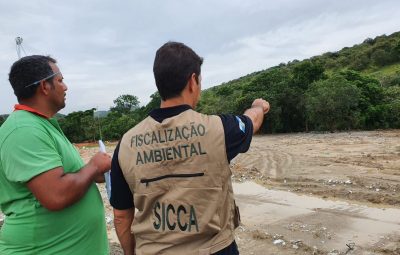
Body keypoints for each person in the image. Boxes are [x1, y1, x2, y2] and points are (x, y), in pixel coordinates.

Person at [111, 42, 270, 255]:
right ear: (193, 81)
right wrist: (259, 106)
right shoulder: (219, 129)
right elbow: (252, 120)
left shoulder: (126, 144)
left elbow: (122, 216)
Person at [0, 55, 111, 255]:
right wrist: (93, 166)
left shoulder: (41, 125)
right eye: (60, 80)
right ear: (44, 86)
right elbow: (56, 194)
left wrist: (95, 173)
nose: (65, 87)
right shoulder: (23, 129)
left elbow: (70, 175)